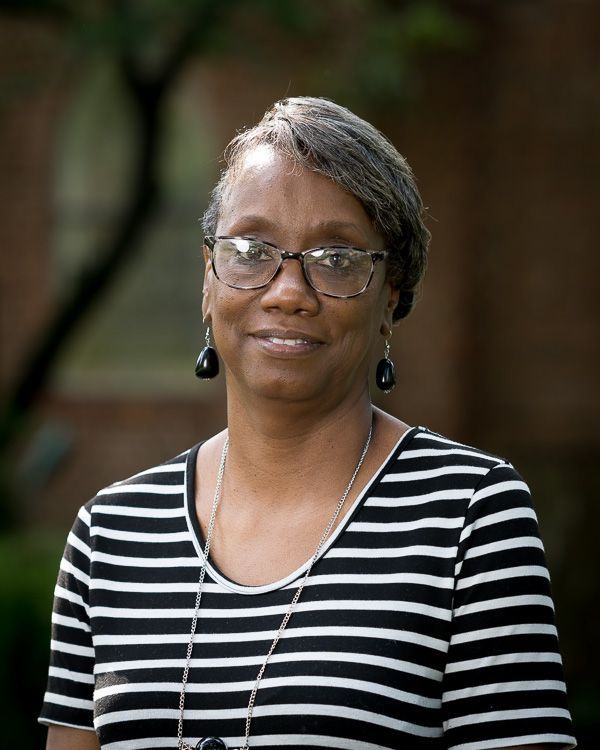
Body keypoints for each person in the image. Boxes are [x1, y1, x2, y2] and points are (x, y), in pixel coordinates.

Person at [40, 97, 576, 750]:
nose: (288, 290)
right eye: (250, 249)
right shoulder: (110, 536)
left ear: (393, 297)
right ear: (208, 278)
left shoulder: (470, 516)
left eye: (338, 259)